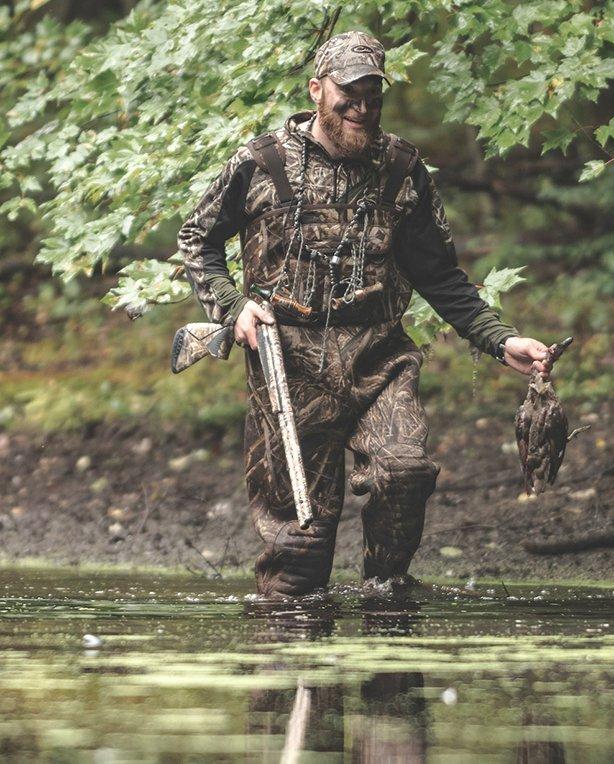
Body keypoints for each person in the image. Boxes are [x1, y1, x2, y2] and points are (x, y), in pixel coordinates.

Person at [178, 31, 553, 598]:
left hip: (379, 359)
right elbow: (197, 239)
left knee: (404, 475)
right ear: (316, 90)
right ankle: (295, 666)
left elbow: (440, 276)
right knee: (300, 556)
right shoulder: (261, 162)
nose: (361, 106)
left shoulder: (402, 169)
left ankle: (386, 617)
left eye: (372, 94)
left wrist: (501, 341)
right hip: (288, 366)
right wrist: (233, 309)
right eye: (348, 92)